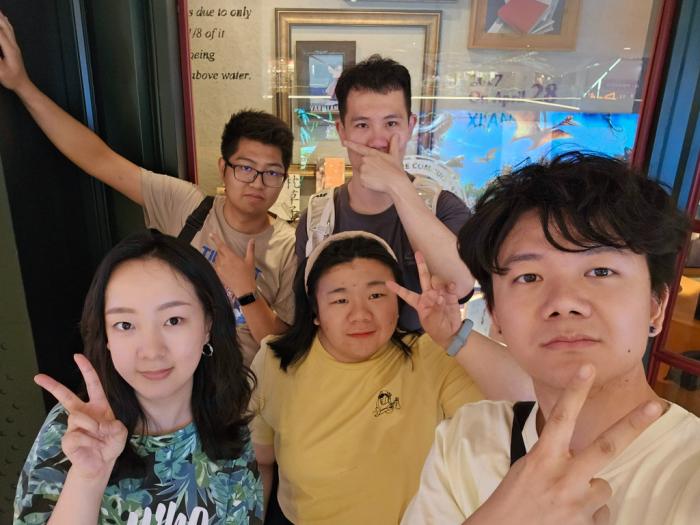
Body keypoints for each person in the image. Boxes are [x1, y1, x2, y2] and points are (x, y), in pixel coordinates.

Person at [401, 152, 700, 524]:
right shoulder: (467, 439)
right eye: (528, 277)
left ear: (656, 305)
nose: (563, 302)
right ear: (496, 316)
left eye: (601, 271)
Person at [0, 13, 296, 363]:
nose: (257, 183)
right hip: (174, 376)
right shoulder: (186, 205)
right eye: (245, 168)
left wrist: (247, 292)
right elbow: (98, 159)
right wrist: (22, 85)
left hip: (246, 388)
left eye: (272, 173)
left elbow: (283, 346)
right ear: (223, 168)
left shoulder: (288, 246)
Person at [251, 231, 532, 525]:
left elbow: (529, 399)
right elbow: (262, 462)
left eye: (376, 295)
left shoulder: (430, 355)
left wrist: (453, 336)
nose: (360, 315)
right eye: (340, 300)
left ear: (398, 304)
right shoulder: (276, 361)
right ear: (315, 312)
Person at [13, 231, 263, 524]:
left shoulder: (228, 421)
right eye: (125, 324)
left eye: (173, 320)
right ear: (106, 336)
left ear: (208, 324)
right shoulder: (75, 431)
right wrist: (88, 479)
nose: (152, 351)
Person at [295, 55, 474, 332]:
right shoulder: (317, 220)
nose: (378, 141)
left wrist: (397, 185)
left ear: (410, 126)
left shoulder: (443, 207)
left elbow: (459, 287)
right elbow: (308, 316)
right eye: (362, 125)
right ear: (341, 131)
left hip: (423, 357)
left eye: (391, 124)